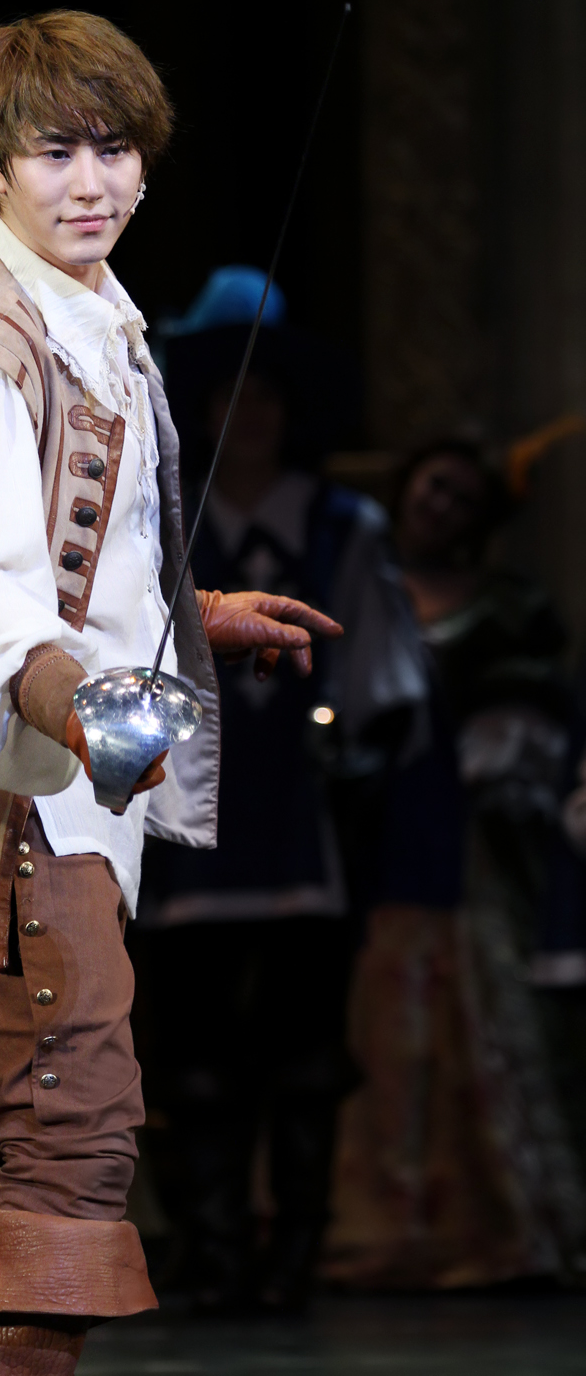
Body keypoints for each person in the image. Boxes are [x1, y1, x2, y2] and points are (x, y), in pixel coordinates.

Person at [0, 12, 342, 1376]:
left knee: (1, 1139)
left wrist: (187, 619)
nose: (91, 182)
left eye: (114, 148)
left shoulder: (86, 314)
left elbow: (84, 561)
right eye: (53, 151)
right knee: (70, 1142)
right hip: (29, 806)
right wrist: (82, 704)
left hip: (59, 797)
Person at [135, 271, 430, 1313]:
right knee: (196, 1059)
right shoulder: (160, 527)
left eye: (266, 393)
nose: (249, 412)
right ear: (203, 406)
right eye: (231, 393)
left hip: (307, 842)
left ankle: (294, 1257)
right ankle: (214, 1254)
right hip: (186, 839)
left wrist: (351, 760)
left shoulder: (343, 526)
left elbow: (384, 679)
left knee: (305, 1058)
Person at [326, 439, 586, 1289]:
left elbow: (535, 705)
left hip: (468, 840)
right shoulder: (353, 581)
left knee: (472, 1014)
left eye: (464, 498)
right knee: (369, 1020)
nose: (442, 506)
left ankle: (485, 1218)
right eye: (436, 485)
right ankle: (369, 1219)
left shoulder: (507, 608)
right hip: (366, 830)